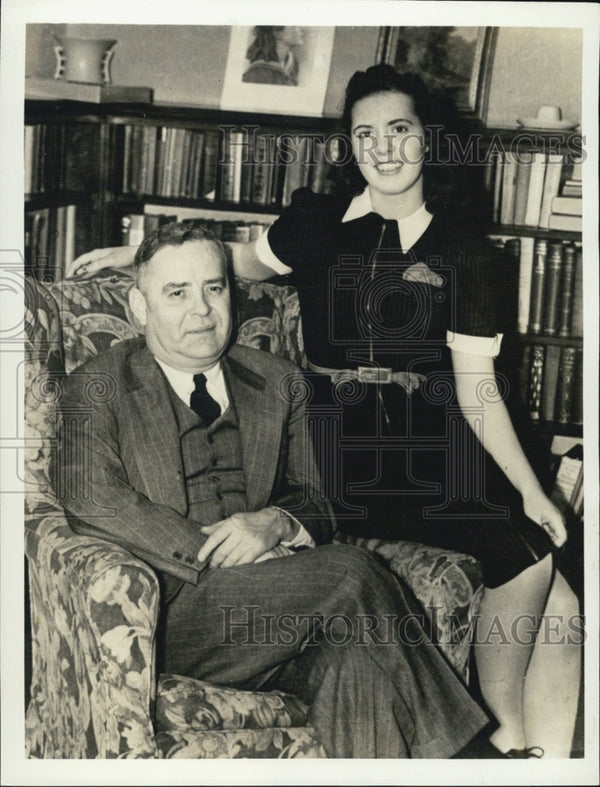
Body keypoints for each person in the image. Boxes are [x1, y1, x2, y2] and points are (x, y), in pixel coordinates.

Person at [67, 66, 581, 758]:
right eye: (364, 134)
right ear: (350, 145)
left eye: (399, 129)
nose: (383, 148)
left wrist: (528, 485)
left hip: (433, 439)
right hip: (339, 438)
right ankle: (499, 736)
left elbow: (475, 385)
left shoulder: (469, 253)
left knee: (561, 595)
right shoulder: (316, 223)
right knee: (523, 554)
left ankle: (542, 761)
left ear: (430, 140)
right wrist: (138, 257)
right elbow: (235, 263)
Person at [56, 221, 498, 759]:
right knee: (352, 571)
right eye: (177, 293)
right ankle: (471, 757)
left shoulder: (277, 378)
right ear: (140, 307)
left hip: (281, 611)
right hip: (169, 617)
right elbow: (92, 496)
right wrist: (210, 555)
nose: (201, 310)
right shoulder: (98, 385)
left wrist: (277, 524)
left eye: (214, 288)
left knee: (357, 665)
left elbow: (319, 498)